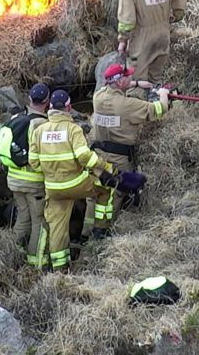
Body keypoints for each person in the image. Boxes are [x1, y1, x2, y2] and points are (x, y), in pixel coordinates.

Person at [28, 89, 116, 270]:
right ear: (68, 108)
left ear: (50, 107)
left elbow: (34, 162)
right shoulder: (73, 129)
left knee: (57, 228)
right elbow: (84, 157)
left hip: (53, 188)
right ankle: (99, 230)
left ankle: (60, 269)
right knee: (105, 189)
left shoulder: (39, 130)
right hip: (76, 184)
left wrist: (51, 172)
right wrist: (105, 166)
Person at [91, 63, 171, 222]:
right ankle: (105, 228)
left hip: (98, 157)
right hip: (119, 160)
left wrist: (136, 84)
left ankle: (88, 230)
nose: (131, 77)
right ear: (120, 81)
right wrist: (164, 93)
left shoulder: (98, 97)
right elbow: (160, 109)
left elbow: (112, 86)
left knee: (97, 193)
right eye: (128, 76)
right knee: (116, 194)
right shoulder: (128, 105)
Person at [0, 83, 50, 268]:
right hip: (34, 183)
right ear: (47, 102)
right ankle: (36, 264)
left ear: (29, 99)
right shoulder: (42, 125)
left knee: (23, 218)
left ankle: (10, 254)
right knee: (40, 223)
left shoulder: (16, 119)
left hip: (14, 181)